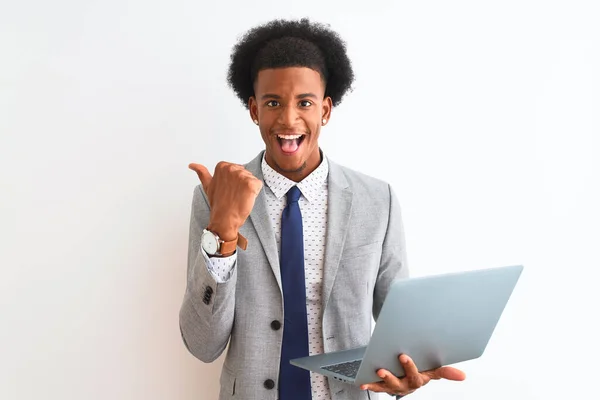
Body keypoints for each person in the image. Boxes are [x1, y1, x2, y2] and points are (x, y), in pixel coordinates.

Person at [179, 18, 466, 400]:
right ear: (253, 109)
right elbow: (202, 344)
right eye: (273, 103)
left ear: (326, 110)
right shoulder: (216, 196)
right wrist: (223, 235)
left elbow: (401, 330)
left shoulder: (378, 200)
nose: (288, 119)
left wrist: (409, 372)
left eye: (305, 103)